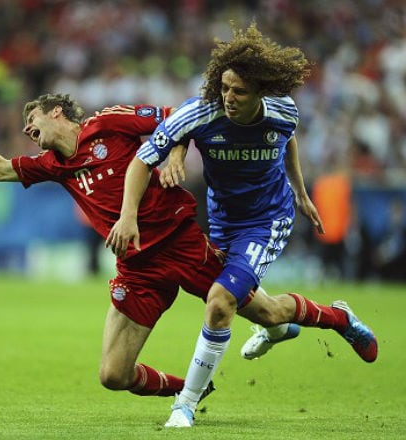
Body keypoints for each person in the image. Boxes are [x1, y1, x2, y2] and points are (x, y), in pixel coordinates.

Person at [0, 79, 347, 423]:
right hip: (137, 268)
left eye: (32, 119)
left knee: (268, 312)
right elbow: (0, 168)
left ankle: (338, 317)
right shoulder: (53, 165)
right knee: (113, 375)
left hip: (182, 244)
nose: (27, 130)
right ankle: (190, 388)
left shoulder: (109, 122)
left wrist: (176, 155)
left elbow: (181, 119)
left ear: (56, 112)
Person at [106, 22, 378, 428]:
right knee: (265, 313)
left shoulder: (284, 110)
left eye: (240, 92)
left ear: (262, 93)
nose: (229, 98)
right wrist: (131, 211)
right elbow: (142, 159)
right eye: (225, 88)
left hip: (267, 220)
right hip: (221, 223)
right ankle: (338, 319)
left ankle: (185, 405)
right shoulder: (202, 110)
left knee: (219, 303)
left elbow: (288, 140)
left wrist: (300, 193)